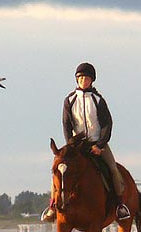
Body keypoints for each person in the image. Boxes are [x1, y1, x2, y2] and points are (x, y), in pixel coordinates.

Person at [41, 62, 130, 222]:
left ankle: (120, 206)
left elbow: (107, 124)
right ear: (77, 80)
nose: (84, 81)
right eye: (81, 78)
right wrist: (70, 145)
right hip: (76, 145)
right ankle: (53, 206)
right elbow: (66, 124)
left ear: (92, 80)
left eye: (87, 78)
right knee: (58, 169)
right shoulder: (69, 100)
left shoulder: (98, 100)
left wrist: (100, 145)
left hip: (97, 143)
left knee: (112, 169)